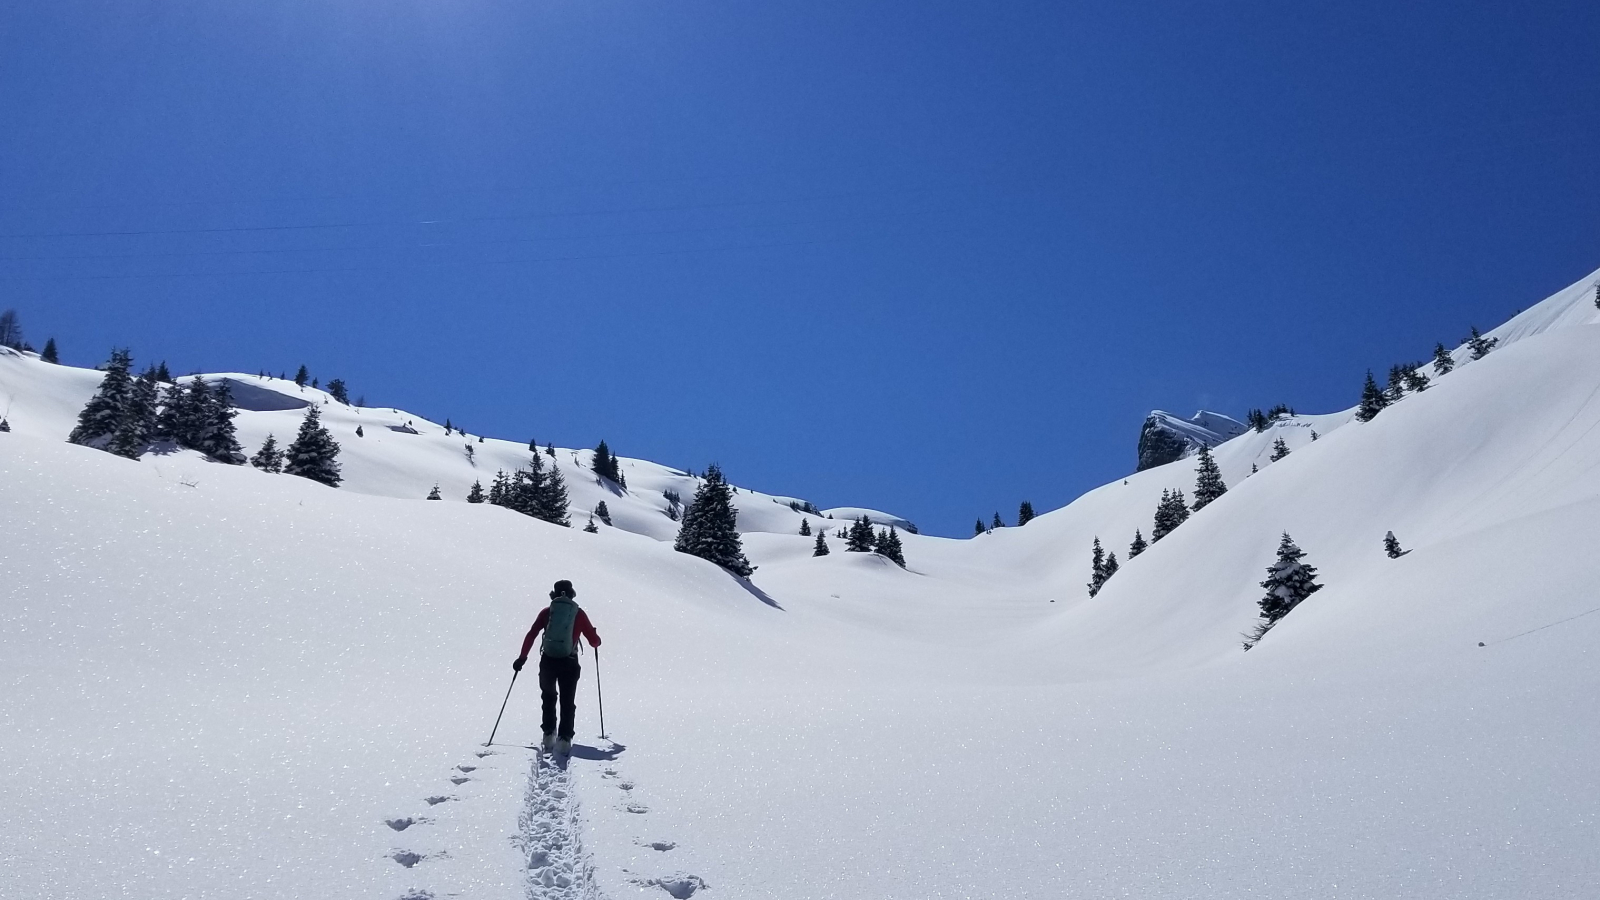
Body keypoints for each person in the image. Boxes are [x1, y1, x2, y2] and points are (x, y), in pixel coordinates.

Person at [514, 579, 601, 754]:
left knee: (548, 696)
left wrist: (522, 658)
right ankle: (564, 739)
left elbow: (532, 634)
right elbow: (594, 642)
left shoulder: (547, 613)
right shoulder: (578, 614)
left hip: (548, 661)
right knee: (567, 701)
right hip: (569, 662)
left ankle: (548, 734)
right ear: (571, 595)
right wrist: (595, 635)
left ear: (553, 595)